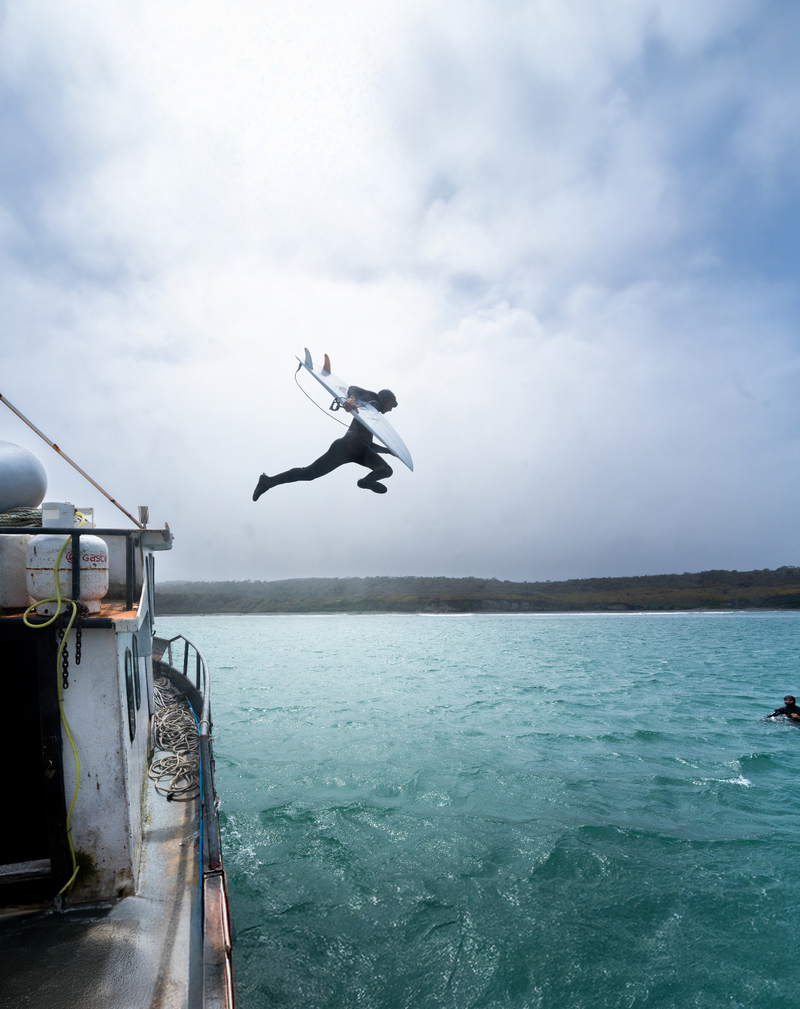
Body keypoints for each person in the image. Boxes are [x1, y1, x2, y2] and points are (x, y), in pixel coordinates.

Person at [253, 386, 399, 499]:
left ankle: (365, 482)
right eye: (391, 405)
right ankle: (267, 482)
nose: (391, 410)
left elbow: (368, 444)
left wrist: (387, 451)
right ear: (387, 399)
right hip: (346, 446)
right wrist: (352, 398)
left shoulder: (372, 417)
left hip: (359, 451)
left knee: (386, 470)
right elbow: (353, 388)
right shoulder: (374, 401)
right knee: (309, 473)